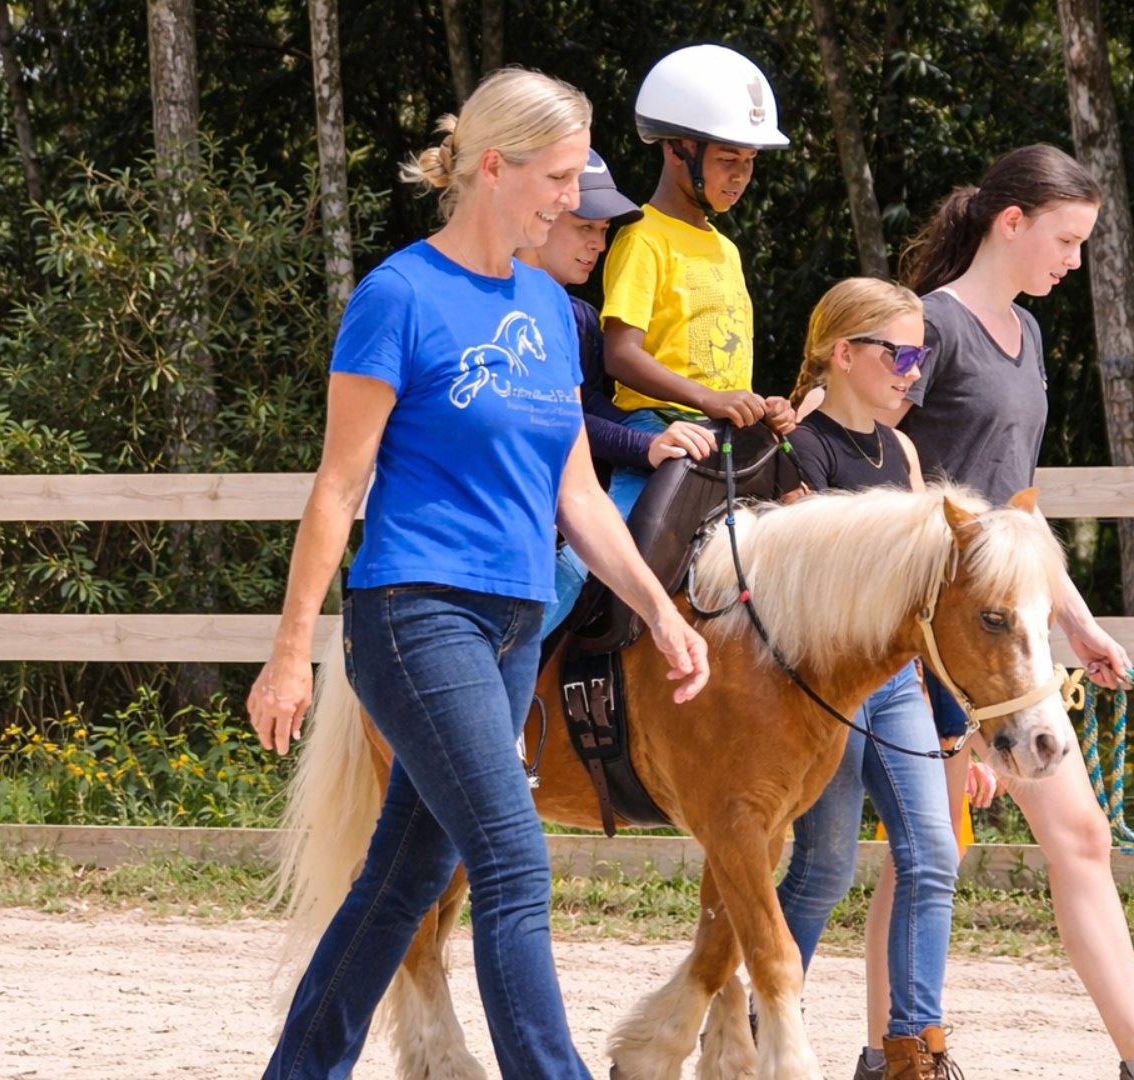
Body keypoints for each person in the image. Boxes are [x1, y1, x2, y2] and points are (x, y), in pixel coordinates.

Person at [245, 69, 710, 1080]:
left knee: (403, 876)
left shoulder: (548, 309)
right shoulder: (399, 296)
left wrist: (659, 615)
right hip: (416, 613)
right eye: (556, 177)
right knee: (512, 857)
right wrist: (288, 658)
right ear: (492, 169)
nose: (570, 199)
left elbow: (579, 498)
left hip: (512, 623)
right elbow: (337, 488)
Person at [817, 145, 1134, 1080]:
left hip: (1014, 637)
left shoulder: (1026, 337)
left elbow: (1017, 506)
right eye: (1067, 241)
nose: (1073, 262)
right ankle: (891, 1053)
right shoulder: (932, 330)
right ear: (1012, 222)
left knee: (1076, 836)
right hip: (939, 644)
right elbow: (854, 446)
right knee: (929, 851)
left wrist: (1078, 623)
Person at [770, 278, 966, 1080]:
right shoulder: (799, 447)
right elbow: (811, 590)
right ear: (844, 354)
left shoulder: (905, 452)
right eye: (902, 353)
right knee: (822, 872)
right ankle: (760, 1027)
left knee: (935, 854)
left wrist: (950, 714)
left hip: (893, 685)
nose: (914, 371)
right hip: (827, 691)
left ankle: (912, 1048)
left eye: (921, 355)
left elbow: (926, 594)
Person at [540, 44, 796, 634]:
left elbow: (719, 363)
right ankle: (509, 652)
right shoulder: (641, 238)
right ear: (679, 153)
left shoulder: (728, 249)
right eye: (728, 158)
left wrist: (758, 403)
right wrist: (709, 402)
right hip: (656, 430)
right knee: (588, 559)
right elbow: (620, 354)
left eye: (750, 162)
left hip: (724, 435)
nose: (741, 175)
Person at [513, 148, 716, 639]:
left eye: (604, 232)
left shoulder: (580, 317)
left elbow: (586, 408)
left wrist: (653, 435)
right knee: (584, 563)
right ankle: (514, 647)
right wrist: (642, 445)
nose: (598, 245)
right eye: (585, 227)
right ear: (541, 215)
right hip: (515, 521)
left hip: (556, 497)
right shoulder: (505, 304)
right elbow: (553, 418)